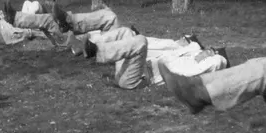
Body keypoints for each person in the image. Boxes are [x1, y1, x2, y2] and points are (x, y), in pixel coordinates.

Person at [61, 28, 228, 90]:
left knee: (140, 41)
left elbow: (219, 62)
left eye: (210, 52)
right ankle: (85, 44)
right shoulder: (187, 55)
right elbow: (192, 45)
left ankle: (96, 50)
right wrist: (194, 49)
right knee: (126, 32)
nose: (206, 52)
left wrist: (216, 56)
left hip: (136, 80)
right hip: (131, 69)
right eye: (208, 49)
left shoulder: (196, 70)